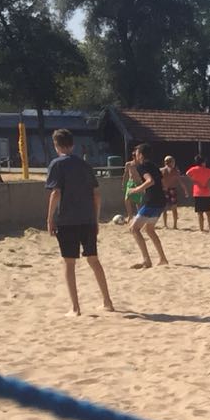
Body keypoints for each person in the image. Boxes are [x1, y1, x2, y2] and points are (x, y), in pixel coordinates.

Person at [44, 129, 114, 315]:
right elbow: (96, 195)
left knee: (69, 263)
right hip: (87, 219)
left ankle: (75, 308)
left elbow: (56, 193)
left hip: (67, 221)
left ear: (56, 145)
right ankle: (107, 301)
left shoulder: (56, 164)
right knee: (93, 260)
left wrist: (49, 218)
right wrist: (96, 219)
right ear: (72, 145)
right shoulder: (84, 165)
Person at [124, 144, 170, 268]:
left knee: (134, 229)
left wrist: (135, 190)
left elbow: (150, 181)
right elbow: (163, 183)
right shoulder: (154, 166)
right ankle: (163, 258)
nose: (135, 155)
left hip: (153, 201)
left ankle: (147, 260)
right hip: (161, 201)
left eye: (137, 152)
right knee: (149, 230)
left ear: (141, 155)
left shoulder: (142, 166)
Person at [185, 155, 210, 233]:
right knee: (208, 212)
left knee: (200, 213)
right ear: (203, 163)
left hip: (197, 193)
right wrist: (209, 180)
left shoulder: (194, 169)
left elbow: (187, 173)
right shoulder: (207, 170)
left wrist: (195, 181)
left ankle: (201, 229)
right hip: (206, 193)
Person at [160, 155, 186, 229]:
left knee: (164, 209)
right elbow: (180, 182)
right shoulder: (175, 171)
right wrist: (185, 190)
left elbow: (159, 181)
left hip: (164, 190)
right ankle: (175, 225)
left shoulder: (161, 170)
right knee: (174, 209)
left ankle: (165, 225)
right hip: (172, 190)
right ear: (172, 162)